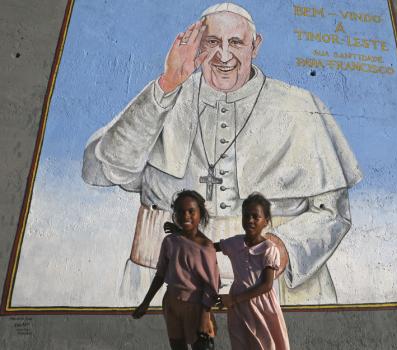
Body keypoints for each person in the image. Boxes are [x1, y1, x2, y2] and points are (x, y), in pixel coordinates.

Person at [82, 2, 362, 304]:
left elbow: (332, 213)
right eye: (212, 42)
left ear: (255, 47)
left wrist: (284, 248)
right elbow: (103, 170)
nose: (224, 55)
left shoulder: (299, 107)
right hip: (163, 279)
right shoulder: (165, 95)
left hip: (273, 285)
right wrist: (167, 84)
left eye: (236, 43)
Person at [132, 190, 219, 350]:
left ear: (201, 214)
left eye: (191, 211)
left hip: (196, 308)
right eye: (180, 211)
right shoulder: (170, 242)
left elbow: (212, 287)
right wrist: (146, 303)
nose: (185, 215)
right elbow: (160, 274)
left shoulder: (206, 247)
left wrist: (204, 317)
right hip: (172, 304)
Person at [217, 193, 290, 350]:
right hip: (239, 309)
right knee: (241, 344)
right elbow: (209, 247)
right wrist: (186, 234)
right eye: (246, 216)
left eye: (255, 217)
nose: (250, 220)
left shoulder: (269, 249)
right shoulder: (235, 243)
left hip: (261, 307)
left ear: (266, 222)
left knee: (265, 345)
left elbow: (267, 285)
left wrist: (233, 299)